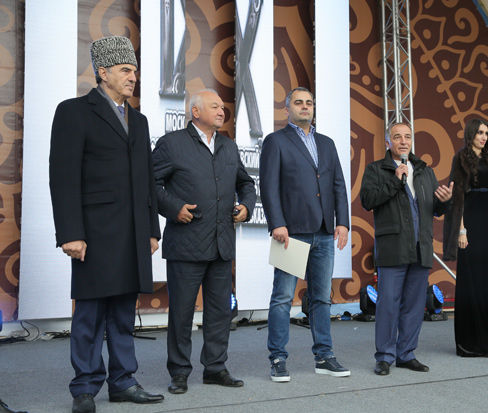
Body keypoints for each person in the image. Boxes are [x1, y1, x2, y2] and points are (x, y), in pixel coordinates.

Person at [49, 36, 163, 413]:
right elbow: (63, 177)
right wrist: (70, 233)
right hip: (94, 233)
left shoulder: (139, 120)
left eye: (134, 71)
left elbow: (147, 180)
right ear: (103, 72)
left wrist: (152, 230)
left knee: (123, 313)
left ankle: (123, 381)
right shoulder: (73, 112)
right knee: (90, 314)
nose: (133, 77)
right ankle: (84, 387)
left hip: (133, 233)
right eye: (125, 70)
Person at [153, 89, 256, 393]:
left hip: (221, 244)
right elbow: (150, 184)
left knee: (220, 312)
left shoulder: (228, 146)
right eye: (215, 107)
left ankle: (215, 368)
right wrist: (174, 207)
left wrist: (247, 206)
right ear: (196, 112)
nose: (222, 111)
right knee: (182, 313)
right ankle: (179, 373)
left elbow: (246, 183)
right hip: (186, 243)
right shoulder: (172, 144)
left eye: (223, 107)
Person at [260, 87, 350, 382]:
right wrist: (277, 223)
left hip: (324, 231)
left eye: (309, 103)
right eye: (298, 103)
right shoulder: (276, 141)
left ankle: (324, 356)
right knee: (283, 298)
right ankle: (278, 358)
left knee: (322, 298)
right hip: (291, 232)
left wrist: (342, 222)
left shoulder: (327, 143)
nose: (305, 107)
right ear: (287, 110)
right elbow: (268, 186)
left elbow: (338, 185)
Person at [360, 122, 453, 376]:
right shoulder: (376, 169)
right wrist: (394, 180)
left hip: (421, 246)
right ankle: (384, 356)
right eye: (397, 137)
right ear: (387, 142)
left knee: (414, 304)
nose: (403, 141)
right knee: (388, 305)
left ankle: (406, 354)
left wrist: (445, 202)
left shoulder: (424, 171)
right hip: (393, 246)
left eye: (408, 137)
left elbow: (435, 208)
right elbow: (367, 200)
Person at [443, 119, 488, 358]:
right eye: (480, 132)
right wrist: (461, 230)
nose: (484, 136)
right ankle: (470, 344)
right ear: (471, 134)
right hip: (471, 224)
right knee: (472, 282)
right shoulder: (461, 158)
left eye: (486, 133)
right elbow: (457, 197)